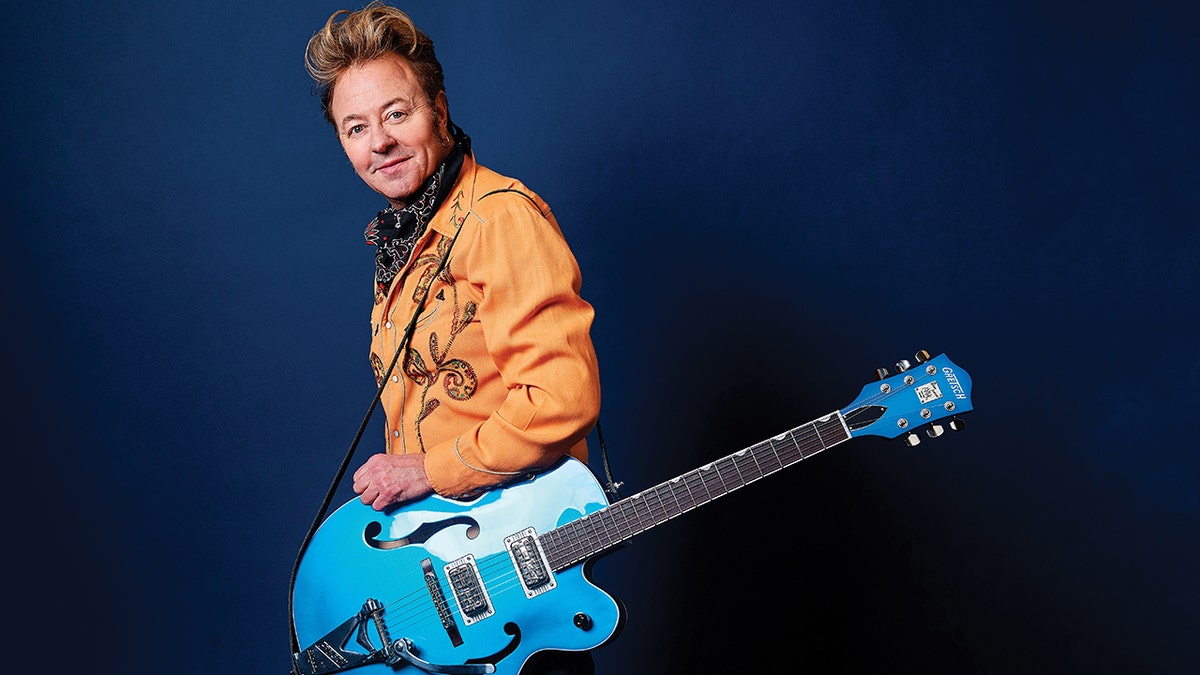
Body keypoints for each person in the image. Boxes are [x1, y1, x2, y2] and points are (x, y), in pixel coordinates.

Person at [302, 3, 601, 673]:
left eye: (396, 114)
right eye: (356, 127)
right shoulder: (406, 244)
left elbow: (561, 397)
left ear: (438, 107)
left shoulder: (499, 219)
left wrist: (427, 471)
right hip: (450, 585)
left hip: (516, 579)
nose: (378, 142)